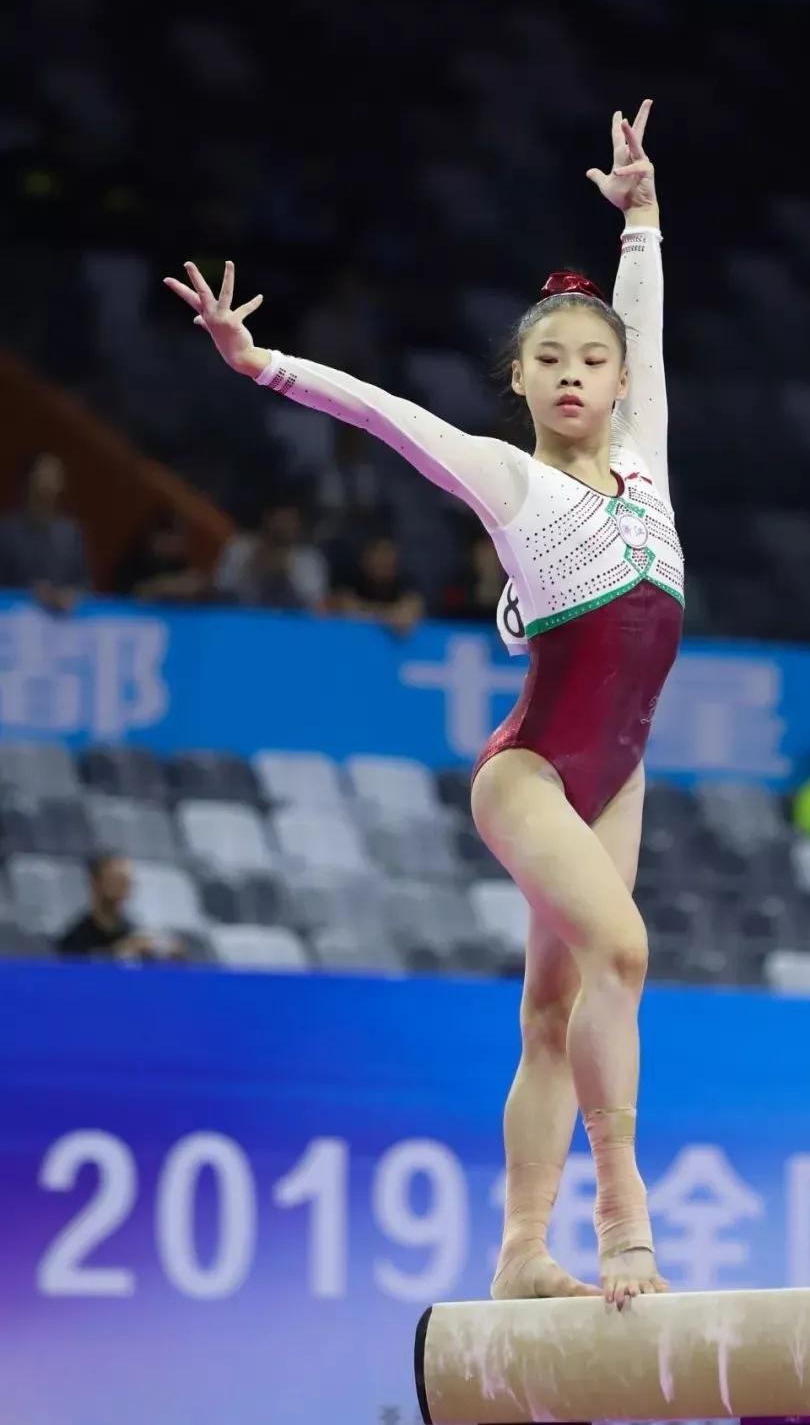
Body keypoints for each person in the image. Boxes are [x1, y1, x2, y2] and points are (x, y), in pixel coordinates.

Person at [166, 100, 681, 1311]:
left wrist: (643, 220)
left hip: (617, 776)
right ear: (520, 380)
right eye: (548, 359)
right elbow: (388, 416)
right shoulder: (511, 482)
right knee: (622, 949)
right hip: (532, 773)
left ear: (617, 382)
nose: (573, 373)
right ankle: (624, 1221)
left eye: (591, 359)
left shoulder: (648, 457)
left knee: (553, 1011)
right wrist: (262, 363)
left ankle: (520, 1249)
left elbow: (648, 328)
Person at [0, 452, 90, 612]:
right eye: (43, 474)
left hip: (61, 618)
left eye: (55, 475)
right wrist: (31, 592)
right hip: (15, 616)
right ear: (30, 480)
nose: (49, 482)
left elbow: (84, 582)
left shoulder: (71, 532)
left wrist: (71, 594)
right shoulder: (7, 530)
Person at [56, 853, 183, 962]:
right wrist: (120, 951)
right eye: (116, 880)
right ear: (95, 883)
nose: (123, 888)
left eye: (127, 881)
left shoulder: (134, 931)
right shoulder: (75, 939)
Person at [213, 501, 327, 611]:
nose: (283, 527)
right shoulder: (239, 549)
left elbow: (315, 606)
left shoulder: (309, 560)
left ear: (298, 525)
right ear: (266, 520)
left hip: (287, 621)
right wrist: (251, 566)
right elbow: (221, 591)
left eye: (289, 521)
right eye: (279, 520)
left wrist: (286, 574)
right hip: (243, 617)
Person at [326, 532, 424, 635]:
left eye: (388, 555)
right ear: (364, 559)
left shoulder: (406, 581)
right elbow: (345, 607)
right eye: (378, 555)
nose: (383, 561)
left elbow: (410, 610)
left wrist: (369, 612)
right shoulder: (349, 578)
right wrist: (389, 615)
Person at [114, 508, 209, 602]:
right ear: (154, 537)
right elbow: (131, 593)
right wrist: (165, 586)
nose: (177, 543)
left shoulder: (177, 561)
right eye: (170, 537)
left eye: (180, 536)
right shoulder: (134, 560)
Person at [437, 529, 507, 624]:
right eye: (482, 554)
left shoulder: (517, 596)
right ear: (473, 556)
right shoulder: (455, 596)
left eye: (494, 553)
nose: (489, 561)